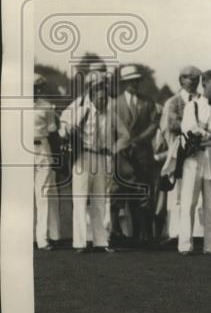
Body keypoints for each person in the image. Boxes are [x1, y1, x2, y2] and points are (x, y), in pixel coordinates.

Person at [59, 71, 129, 253]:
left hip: (101, 158)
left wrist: (112, 149)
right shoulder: (81, 108)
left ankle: (101, 241)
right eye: (98, 90)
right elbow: (64, 125)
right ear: (91, 90)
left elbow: (125, 135)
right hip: (82, 156)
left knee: (99, 200)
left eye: (104, 91)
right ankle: (80, 243)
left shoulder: (110, 112)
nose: (103, 97)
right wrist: (67, 133)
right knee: (80, 199)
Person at [177, 70, 211, 255]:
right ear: (204, 85)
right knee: (189, 202)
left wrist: (207, 131)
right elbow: (191, 131)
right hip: (193, 158)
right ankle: (185, 245)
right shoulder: (191, 106)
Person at [112, 63, 159, 244]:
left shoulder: (148, 102)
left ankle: (144, 234)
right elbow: (110, 128)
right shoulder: (115, 103)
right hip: (122, 155)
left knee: (144, 194)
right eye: (130, 81)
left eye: (137, 81)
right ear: (124, 83)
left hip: (142, 154)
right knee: (118, 192)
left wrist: (138, 140)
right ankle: (117, 233)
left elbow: (154, 124)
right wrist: (121, 145)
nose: (134, 84)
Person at [158, 65, 202, 242]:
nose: (192, 82)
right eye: (188, 78)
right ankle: (175, 232)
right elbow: (171, 125)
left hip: (198, 151)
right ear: (181, 80)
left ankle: (196, 232)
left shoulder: (201, 100)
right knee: (176, 192)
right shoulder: (173, 102)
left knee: (195, 194)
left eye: (195, 79)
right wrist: (194, 126)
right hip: (177, 150)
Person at [33, 73, 61, 250]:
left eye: (38, 87)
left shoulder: (46, 107)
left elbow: (53, 134)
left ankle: (42, 238)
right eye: (34, 87)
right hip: (21, 152)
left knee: (42, 194)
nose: (36, 90)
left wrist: (56, 157)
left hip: (42, 149)